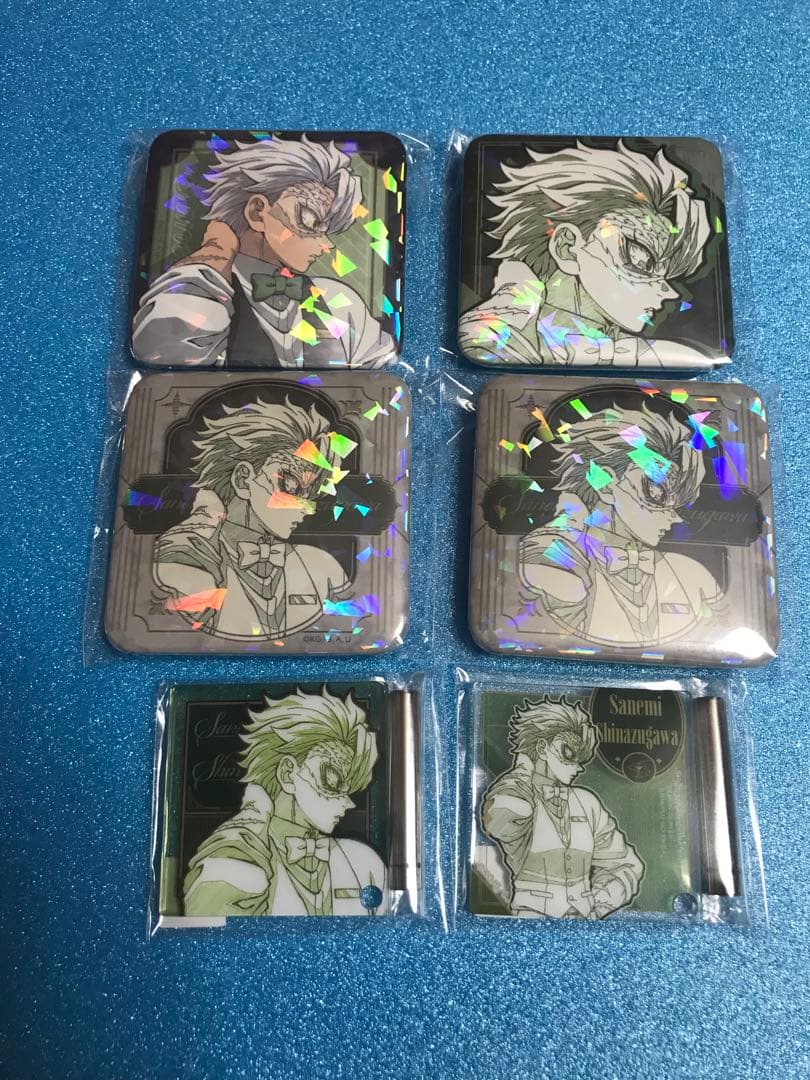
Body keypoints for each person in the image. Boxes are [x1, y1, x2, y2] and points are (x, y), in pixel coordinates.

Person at [133, 135, 395, 368]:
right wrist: (214, 258)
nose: (327, 244)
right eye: (310, 220)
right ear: (258, 212)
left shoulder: (340, 300)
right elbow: (162, 352)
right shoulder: (202, 290)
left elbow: (380, 370)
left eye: (327, 230)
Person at [459, 140, 713, 366]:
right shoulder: (493, 335)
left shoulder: (650, 353)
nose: (670, 292)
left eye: (667, 276)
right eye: (641, 262)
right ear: (568, 247)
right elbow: (484, 343)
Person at [519, 404, 721, 646]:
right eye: (657, 494)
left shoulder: (692, 575)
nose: (674, 517)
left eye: (677, 504)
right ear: (605, 484)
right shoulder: (555, 554)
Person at [154, 396, 353, 639]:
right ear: (243, 479)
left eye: (312, 496)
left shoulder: (322, 566)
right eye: (291, 486)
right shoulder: (187, 554)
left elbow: (350, 629)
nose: (308, 508)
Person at [184, 688, 386, 916]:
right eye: (332, 779)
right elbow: (205, 922)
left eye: (349, 790)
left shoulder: (364, 862)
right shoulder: (242, 857)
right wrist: (247, 833)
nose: (348, 803)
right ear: (288, 773)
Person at [481, 696, 643, 919]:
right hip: (530, 921)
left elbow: (625, 864)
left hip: (585, 921)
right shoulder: (519, 798)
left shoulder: (587, 803)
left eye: (581, 759)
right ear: (542, 747)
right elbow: (498, 818)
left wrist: (601, 903)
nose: (578, 767)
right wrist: (523, 768)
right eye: (569, 753)